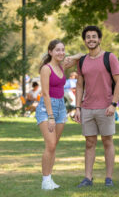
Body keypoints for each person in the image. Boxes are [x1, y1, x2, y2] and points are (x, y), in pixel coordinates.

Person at [74, 26, 119, 187]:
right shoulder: (82, 61)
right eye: (88, 37)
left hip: (106, 108)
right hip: (87, 108)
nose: (91, 39)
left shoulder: (110, 57)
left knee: (107, 141)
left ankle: (109, 178)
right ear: (84, 41)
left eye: (94, 36)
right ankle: (88, 178)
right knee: (89, 143)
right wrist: (77, 107)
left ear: (100, 39)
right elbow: (80, 86)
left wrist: (113, 104)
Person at [35, 39, 83, 190]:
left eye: (63, 49)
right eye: (57, 50)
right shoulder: (46, 69)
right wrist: (50, 117)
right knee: (50, 145)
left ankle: (49, 179)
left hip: (61, 108)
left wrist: (70, 56)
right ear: (50, 52)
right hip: (47, 108)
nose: (61, 52)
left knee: (54, 146)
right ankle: (45, 180)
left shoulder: (62, 65)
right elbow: (45, 94)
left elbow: (81, 56)